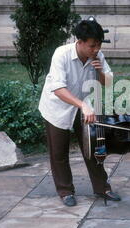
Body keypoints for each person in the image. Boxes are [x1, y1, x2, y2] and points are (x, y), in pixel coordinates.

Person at [38, 19, 121, 207]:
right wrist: (81, 105)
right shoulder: (62, 54)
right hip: (57, 107)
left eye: (99, 45)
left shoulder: (98, 55)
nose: (96, 49)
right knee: (59, 152)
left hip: (84, 105)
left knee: (93, 147)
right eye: (92, 45)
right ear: (80, 41)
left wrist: (100, 72)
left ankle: (102, 187)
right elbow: (58, 88)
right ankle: (65, 191)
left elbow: (107, 83)